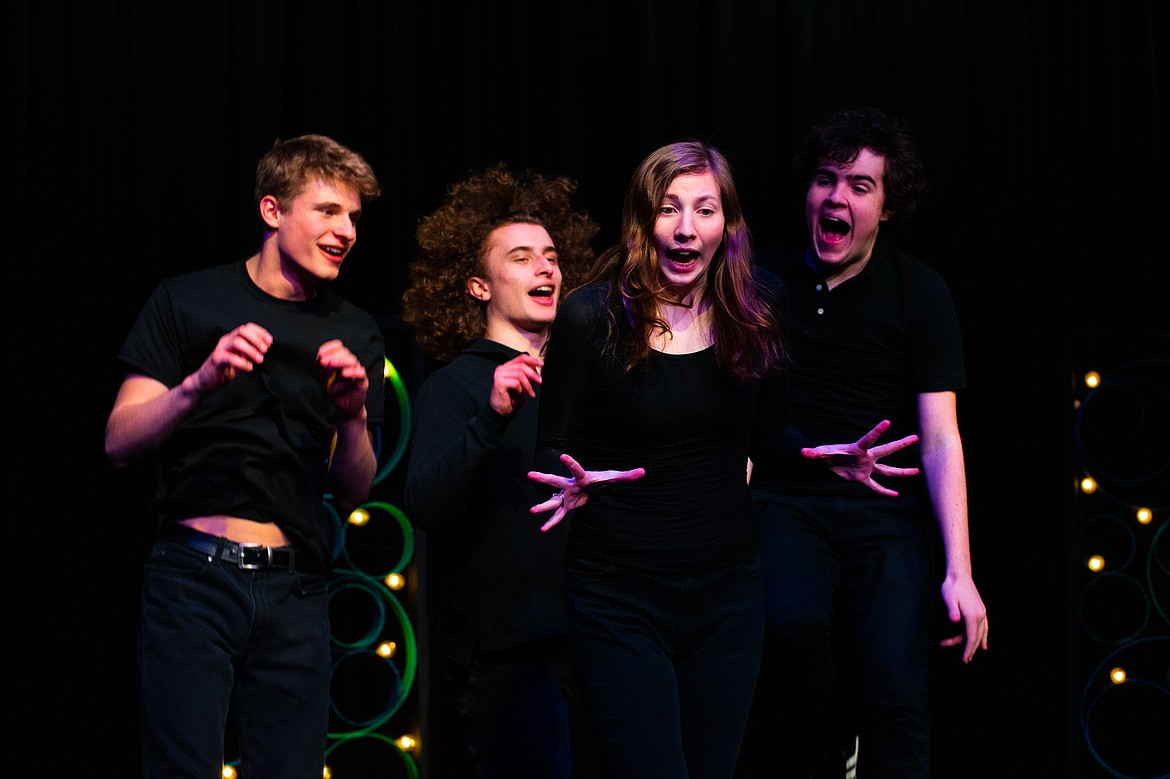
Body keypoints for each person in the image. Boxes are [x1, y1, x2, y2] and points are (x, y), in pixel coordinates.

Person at [527, 140, 918, 779]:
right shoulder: (589, 317)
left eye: (705, 210)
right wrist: (567, 482)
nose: (686, 229)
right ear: (642, 221)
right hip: (619, 594)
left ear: (727, 225)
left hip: (728, 597)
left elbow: (771, 438)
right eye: (669, 209)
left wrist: (824, 458)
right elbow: (551, 450)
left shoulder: (756, 308)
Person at [104, 134, 385, 779]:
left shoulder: (355, 330)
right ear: (272, 211)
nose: (345, 231)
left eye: (354, 219)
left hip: (297, 589)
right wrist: (198, 385)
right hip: (193, 580)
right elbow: (120, 440)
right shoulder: (187, 300)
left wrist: (352, 413)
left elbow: (356, 490)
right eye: (328, 211)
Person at [742, 107, 990, 779]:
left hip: (885, 508)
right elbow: (736, 413)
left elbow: (941, 437)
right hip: (789, 495)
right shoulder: (761, 280)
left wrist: (959, 571)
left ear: (885, 206)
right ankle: (832, 742)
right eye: (826, 180)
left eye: (859, 185)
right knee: (788, 628)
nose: (837, 197)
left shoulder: (920, 291)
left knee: (896, 679)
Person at [401, 164, 602, 779]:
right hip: (510, 658)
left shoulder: (588, 378)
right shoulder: (457, 386)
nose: (545, 268)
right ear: (478, 287)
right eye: (520, 257)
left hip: (603, 638)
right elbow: (426, 504)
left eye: (550, 256)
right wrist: (489, 419)